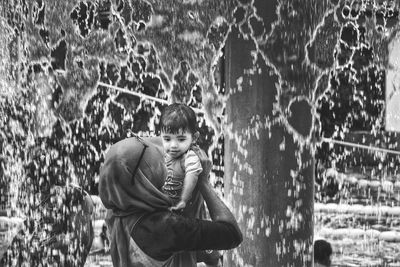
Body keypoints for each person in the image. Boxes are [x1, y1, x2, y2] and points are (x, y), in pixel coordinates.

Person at [99, 135, 242, 267]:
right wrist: (203, 182)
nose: (166, 166)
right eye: (157, 164)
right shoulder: (164, 227)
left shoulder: (115, 211)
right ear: (144, 178)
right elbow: (232, 233)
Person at [159, 103, 202, 211]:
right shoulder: (160, 151)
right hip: (161, 205)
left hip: (183, 210)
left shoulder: (189, 157)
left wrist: (183, 200)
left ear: (194, 138)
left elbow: (191, 177)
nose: (173, 145)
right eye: (167, 139)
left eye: (181, 139)